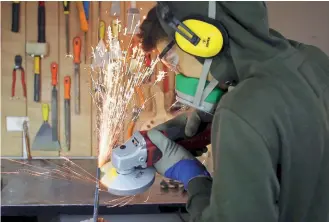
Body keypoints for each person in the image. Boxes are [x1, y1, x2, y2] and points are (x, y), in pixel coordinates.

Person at [137, 2, 329, 222]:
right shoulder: (314, 60)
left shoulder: (240, 111)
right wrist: (214, 123)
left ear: (203, 40)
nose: (177, 72)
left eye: (173, 60)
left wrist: (194, 180)